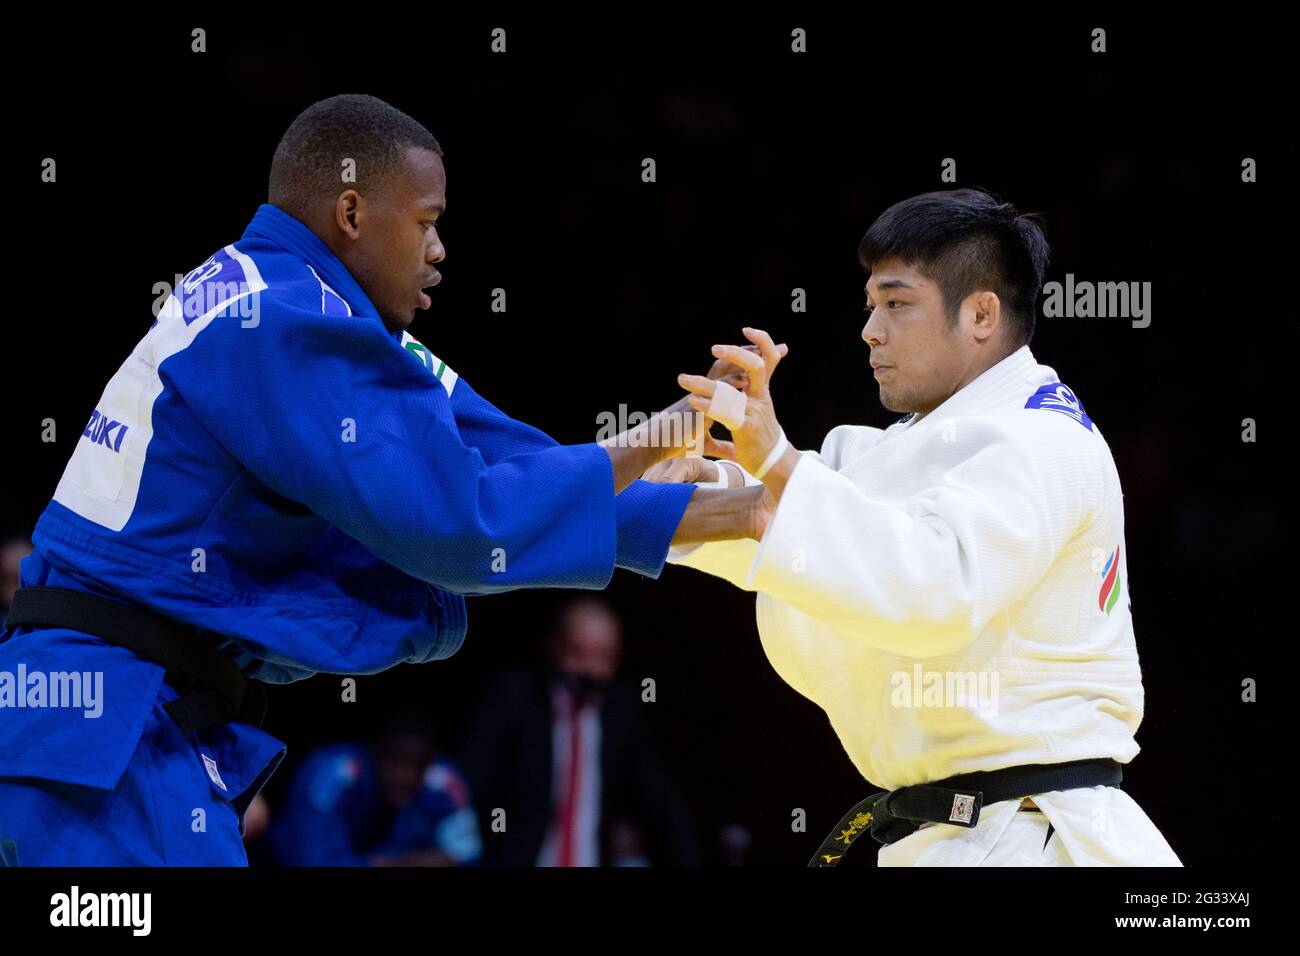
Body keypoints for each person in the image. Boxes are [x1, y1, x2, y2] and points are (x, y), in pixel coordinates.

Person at [0, 93, 752, 865]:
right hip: (105, 735)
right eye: (427, 221)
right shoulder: (282, 315)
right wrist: (646, 449)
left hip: (108, 725)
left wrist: (728, 504)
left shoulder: (306, 307)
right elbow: (461, 525)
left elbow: (500, 460)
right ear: (352, 213)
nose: (440, 250)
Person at [649, 188, 1182, 866]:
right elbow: (815, 519)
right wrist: (675, 492)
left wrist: (775, 460)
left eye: (897, 304)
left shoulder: (1045, 441)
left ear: (981, 313)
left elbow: (927, 588)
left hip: (1032, 836)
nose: (871, 329)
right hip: (969, 833)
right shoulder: (919, 446)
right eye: (871, 305)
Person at [458, 597, 700, 866]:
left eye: (603, 657)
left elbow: (661, 800)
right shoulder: (513, 697)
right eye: (578, 653)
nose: (591, 670)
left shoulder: (622, 711)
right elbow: (471, 783)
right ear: (553, 645)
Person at [272, 710, 480, 867]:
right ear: (374, 751)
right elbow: (312, 860)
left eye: (417, 765)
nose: (404, 776)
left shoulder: (444, 782)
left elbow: (467, 856)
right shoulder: (336, 772)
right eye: (395, 761)